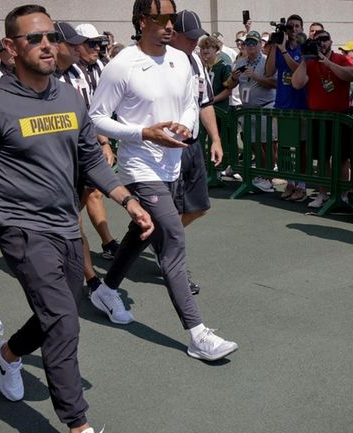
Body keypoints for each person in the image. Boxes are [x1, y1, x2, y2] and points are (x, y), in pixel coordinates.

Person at [0, 5, 153, 433]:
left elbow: (90, 160)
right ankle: (78, 425)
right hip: (21, 230)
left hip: (67, 226)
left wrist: (127, 200)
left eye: (50, 36)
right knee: (64, 322)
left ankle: (4, 354)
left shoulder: (68, 97)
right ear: (11, 47)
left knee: (56, 313)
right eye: (34, 38)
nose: (47, 45)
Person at [88, 0, 238, 361]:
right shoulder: (121, 66)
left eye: (173, 17)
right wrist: (143, 134)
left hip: (173, 165)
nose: (170, 25)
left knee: (142, 232)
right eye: (162, 18)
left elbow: (190, 101)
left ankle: (106, 290)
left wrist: (186, 123)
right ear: (143, 21)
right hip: (140, 169)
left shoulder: (182, 59)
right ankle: (198, 335)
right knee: (171, 240)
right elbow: (95, 118)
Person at [53, 21, 119, 292]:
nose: (93, 48)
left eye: (96, 43)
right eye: (84, 43)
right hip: (58, 158)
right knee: (70, 214)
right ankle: (91, 279)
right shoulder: (44, 77)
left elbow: (87, 113)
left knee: (90, 196)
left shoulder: (83, 72)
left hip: (84, 148)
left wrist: (103, 141)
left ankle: (100, 254)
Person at [170, 9, 224, 295]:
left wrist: (215, 138)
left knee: (199, 206)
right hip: (166, 148)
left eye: (196, 38)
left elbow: (206, 103)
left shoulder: (197, 63)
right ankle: (174, 264)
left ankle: (160, 240)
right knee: (170, 211)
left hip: (192, 146)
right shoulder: (161, 61)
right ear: (174, 34)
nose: (194, 43)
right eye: (188, 37)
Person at [291, 28, 353, 208]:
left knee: (342, 159)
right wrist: (304, 59)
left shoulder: (341, 59)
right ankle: (323, 194)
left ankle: (342, 193)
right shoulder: (310, 63)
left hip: (340, 117)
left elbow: (351, 75)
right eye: (318, 40)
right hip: (318, 118)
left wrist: (327, 62)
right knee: (322, 158)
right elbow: (297, 84)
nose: (322, 43)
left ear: (331, 41)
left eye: (325, 39)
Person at [226, 30, 277, 192]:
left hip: (265, 107)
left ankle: (268, 178)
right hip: (247, 110)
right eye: (248, 43)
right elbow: (229, 85)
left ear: (260, 45)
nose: (250, 46)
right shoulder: (240, 62)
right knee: (253, 143)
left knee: (267, 144)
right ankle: (261, 175)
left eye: (254, 43)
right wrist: (233, 78)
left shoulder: (266, 61)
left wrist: (255, 77)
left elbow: (274, 83)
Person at [264, 14, 308, 201]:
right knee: (285, 147)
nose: (293, 29)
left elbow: (299, 68)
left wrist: (283, 51)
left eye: (297, 26)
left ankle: (302, 185)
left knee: (302, 147)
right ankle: (290, 182)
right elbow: (269, 71)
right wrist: (275, 46)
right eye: (290, 26)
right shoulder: (280, 46)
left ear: (301, 28)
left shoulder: (304, 47)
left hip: (301, 105)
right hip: (282, 104)